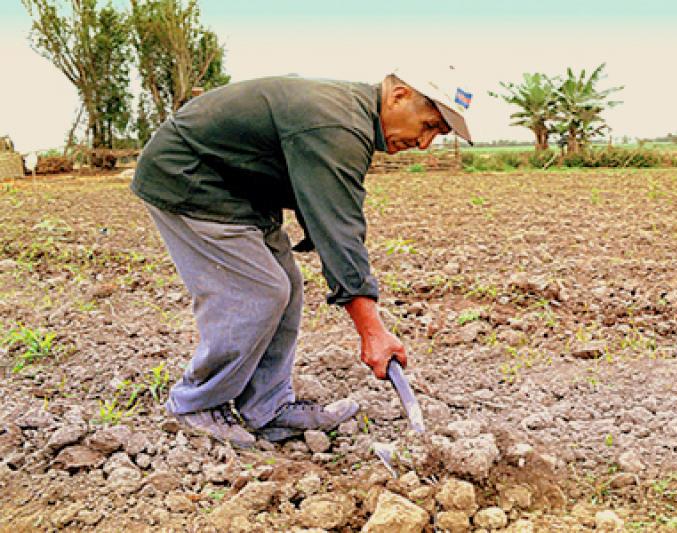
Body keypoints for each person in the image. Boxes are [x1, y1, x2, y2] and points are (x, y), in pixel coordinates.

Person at [131, 72, 472, 447]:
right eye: (428, 126)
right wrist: (372, 330)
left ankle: (268, 408)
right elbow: (337, 231)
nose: (424, 144)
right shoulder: (337, 123)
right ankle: (195, 405)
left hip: (239, 189)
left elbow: (330, 210)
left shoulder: (349, 119)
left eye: (437, 135)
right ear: (399, 95)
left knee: (287, 287)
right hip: (190, 177)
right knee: (259, 292)